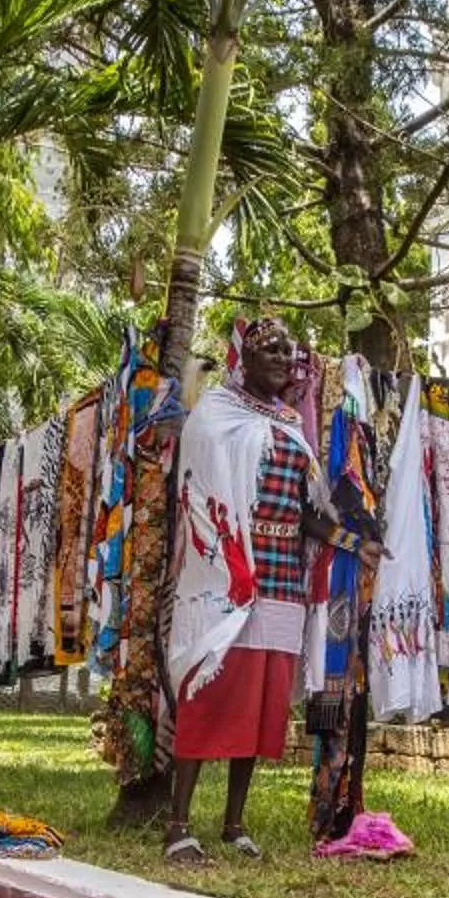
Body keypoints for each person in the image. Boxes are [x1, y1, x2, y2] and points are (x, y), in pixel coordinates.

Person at [162, 317, 352, 865]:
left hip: (282, 584)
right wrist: (228, 564)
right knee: (208, 695)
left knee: (259, 706)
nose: (284, 361)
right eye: (271, 350)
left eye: (289, 353)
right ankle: (178, 826)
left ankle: (234, 824)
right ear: (243, 358)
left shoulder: (290, 422)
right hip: (226, 582)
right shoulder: (215, 414)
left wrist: (349, 540)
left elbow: (302, 510)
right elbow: (198, 496)